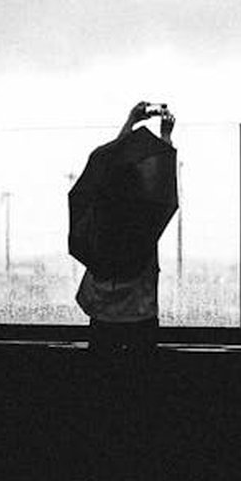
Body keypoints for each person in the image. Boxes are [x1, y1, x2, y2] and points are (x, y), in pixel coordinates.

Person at [76, 102, 176, 352]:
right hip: (140, 316)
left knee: (101, 381)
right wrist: (165, 138)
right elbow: (162, 178)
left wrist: (130, 122)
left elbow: (110, 164)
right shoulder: (146, 215)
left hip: (102, 316)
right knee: (141, 382)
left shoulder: (97, 216)